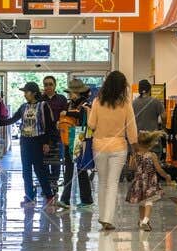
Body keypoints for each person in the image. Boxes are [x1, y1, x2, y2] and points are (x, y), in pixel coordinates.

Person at [85, 69, 137, 229]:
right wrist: (134, 148)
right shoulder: (126, 104)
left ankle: (102, 216)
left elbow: (91, 125)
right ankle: (108, 218)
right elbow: (131, 129)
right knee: (113, 183)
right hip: (119, 147)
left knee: (102, 182)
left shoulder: (97, 102)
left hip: (99, 146)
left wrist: (89, 114)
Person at [0, 81, 58, 208]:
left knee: (39, 169)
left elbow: (49, 126)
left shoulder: (43, 106)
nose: (25, 94)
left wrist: (47, 143)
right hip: (25, 141)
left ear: (34, 93)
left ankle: (49, 195)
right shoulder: (23, 107)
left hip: (38, 141)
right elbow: (12, 120)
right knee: (26, 170)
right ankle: (29, 197)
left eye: (26, 92)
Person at [56, 78, 94, 211]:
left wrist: (67, 113)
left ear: (77, 93)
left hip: (78, 136)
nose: (69, 95)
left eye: (71, 92)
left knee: (78, 169)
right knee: (72, 169)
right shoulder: (70, 104)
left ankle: (68, 200)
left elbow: (82, 116)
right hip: (69, 136)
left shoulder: (85, 104)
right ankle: (84, 199)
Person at [126, 129, 165, 232]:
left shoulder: (135, 155)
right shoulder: (152, 155)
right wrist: (167, 176)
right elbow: (158, 169)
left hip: (138, 181)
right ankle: (146, 220)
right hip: (150, 181)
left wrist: (133, 158)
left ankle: (141, 220)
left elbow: (131, 167)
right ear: (150, 144)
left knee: (141, 202)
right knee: (149, 201)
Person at [41, 76, 69, 194]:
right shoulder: (40, 100)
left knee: (56, 161)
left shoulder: (62, 99)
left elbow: (67, 115)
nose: (48, 87)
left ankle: (54, 182)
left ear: (55, 85)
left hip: (58, 136)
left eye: (50, 84)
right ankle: (47, 183)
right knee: (44, 161)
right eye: (46, 84)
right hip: (43, 136)